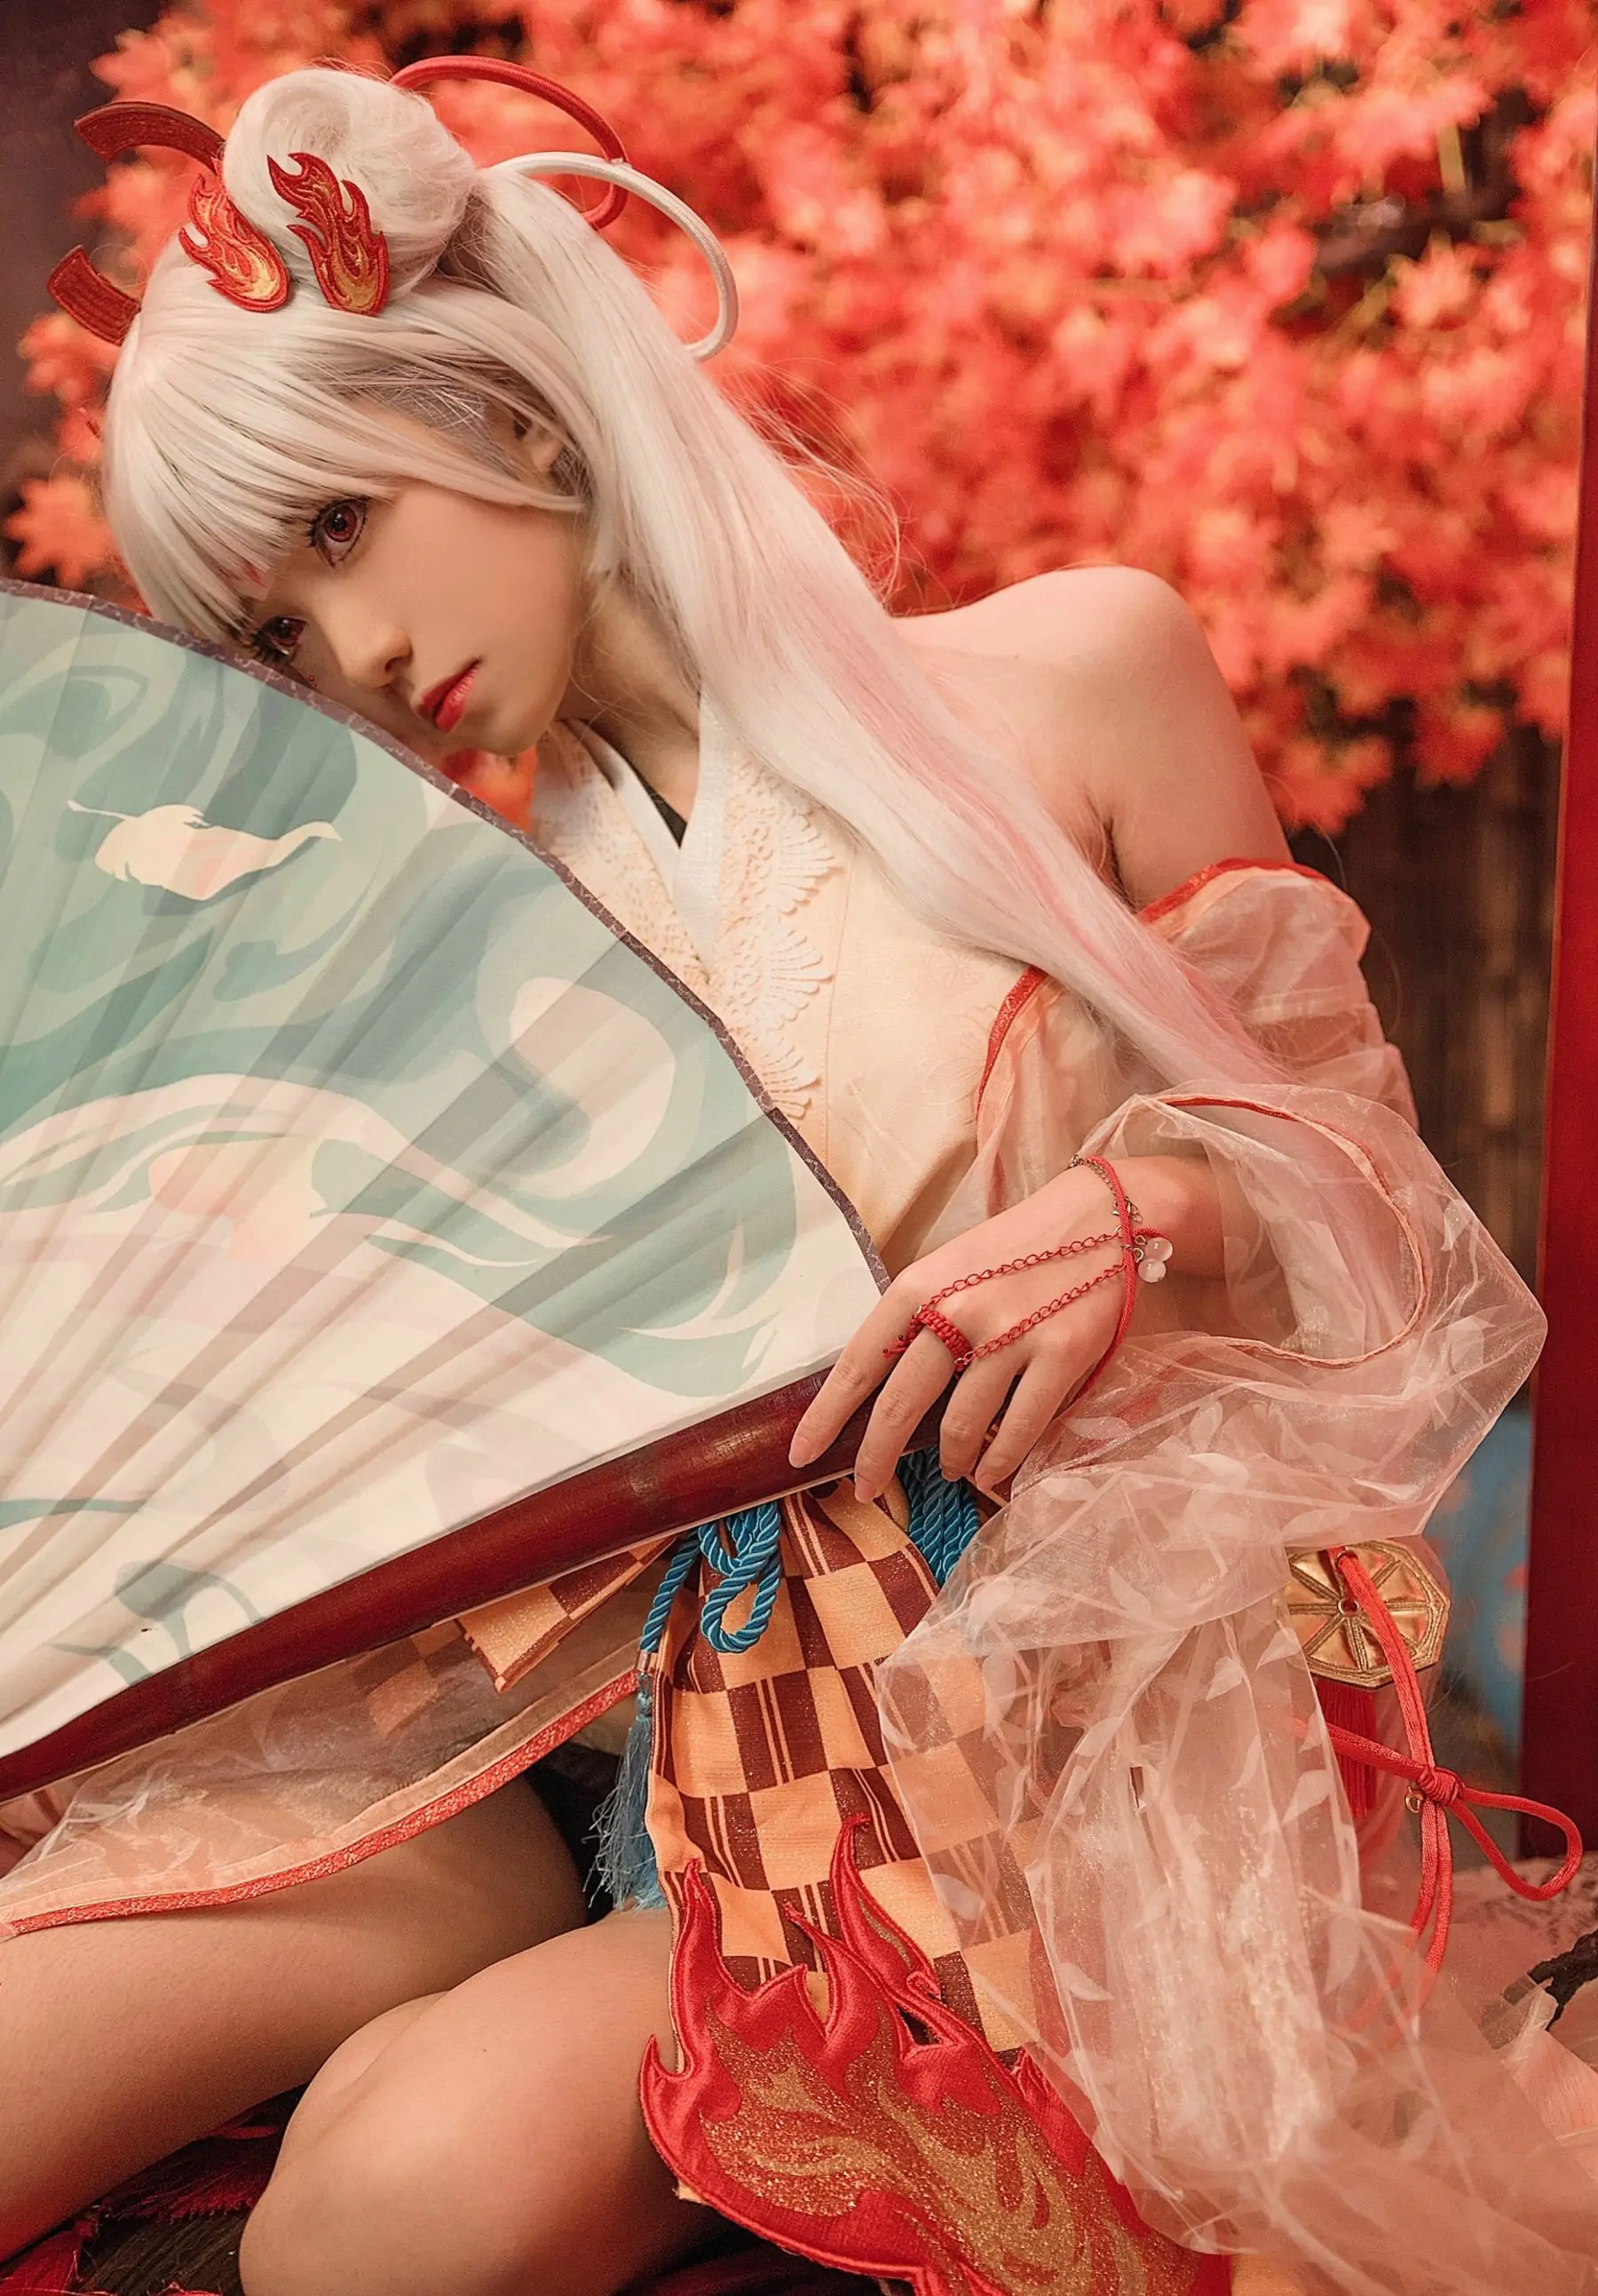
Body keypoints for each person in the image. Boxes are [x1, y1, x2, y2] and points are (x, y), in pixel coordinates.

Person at [3, 57, 1597, 2296]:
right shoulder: (457, 958)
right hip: (641, 1761)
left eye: (341, 530)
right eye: (271, 632)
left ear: (512, 409)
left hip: (1049, 1746)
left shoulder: (1079, 670)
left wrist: (1150, 1213)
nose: (350, 659)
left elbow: (1370, 1197)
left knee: (389, 2207)